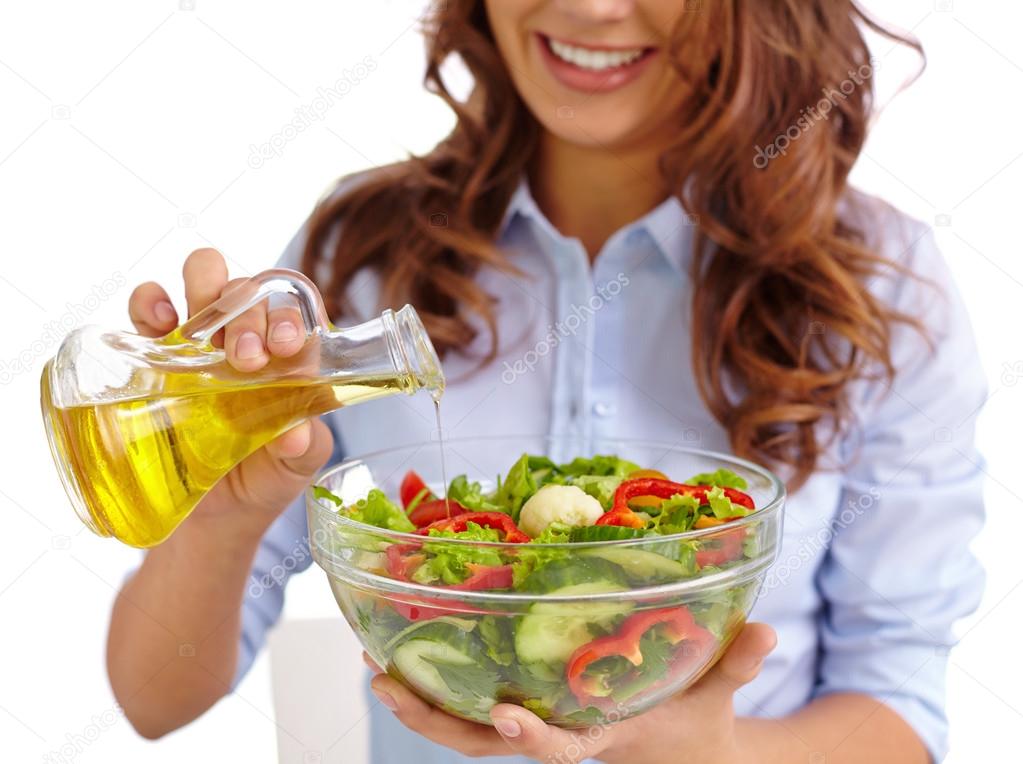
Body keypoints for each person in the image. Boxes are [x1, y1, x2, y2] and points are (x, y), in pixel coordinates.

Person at [107, 1, 986, 762]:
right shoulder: (359, 256)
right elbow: (153, 699)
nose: (591, 10)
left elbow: (898, 705)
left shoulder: (877, 286)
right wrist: (222, 515)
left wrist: (702, 755)